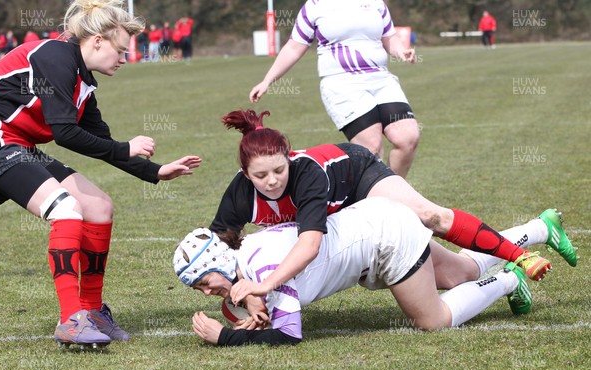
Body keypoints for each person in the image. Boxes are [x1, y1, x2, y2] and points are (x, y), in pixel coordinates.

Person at [0, 0, 202, 349]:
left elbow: (101, 142)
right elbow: (65, 133)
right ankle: (71, 318)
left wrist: (156, 171)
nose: (123, 58)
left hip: (19, 144)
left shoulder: (82, 82)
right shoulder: (57, 57)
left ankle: (91, 310)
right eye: (119, 50)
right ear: (97, 41)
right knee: (66, 208)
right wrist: (126, 148)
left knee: (100, 207)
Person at [209, 109, 577, 307]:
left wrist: (265, 285)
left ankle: (518, 256)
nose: (272, 181)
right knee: (452, 274)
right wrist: (227, 288)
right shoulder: (240, 194)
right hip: (343, 221)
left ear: (289, 159)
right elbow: (217, 246)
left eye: (279, 170)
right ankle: (542, 229)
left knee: (430, 216)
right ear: (244, 173)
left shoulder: (306, 175)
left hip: (357, 180)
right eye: (261, 175)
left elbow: (309, 245)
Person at [178, 197, 537, 346]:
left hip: (385, 239)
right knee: (463, 271)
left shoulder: (265, 267)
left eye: (203, 283)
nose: (207, 293)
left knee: (433, 321)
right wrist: (257, 303)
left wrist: (224, 338)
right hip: (376, 219)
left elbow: (289, 335)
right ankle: (540, 228)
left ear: (217, 263)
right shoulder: (249, 254)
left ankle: (509, 280)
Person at [249, 0, 419, 178]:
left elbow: (389, 37)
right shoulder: (314, 6)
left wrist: (402, 51)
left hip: (381, 79)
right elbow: (294, 47)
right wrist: (267, 80)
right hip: (342, 84)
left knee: (407, 138)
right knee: (371, 147)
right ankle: (371, 200)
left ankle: (392, 195)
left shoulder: (375, 2)